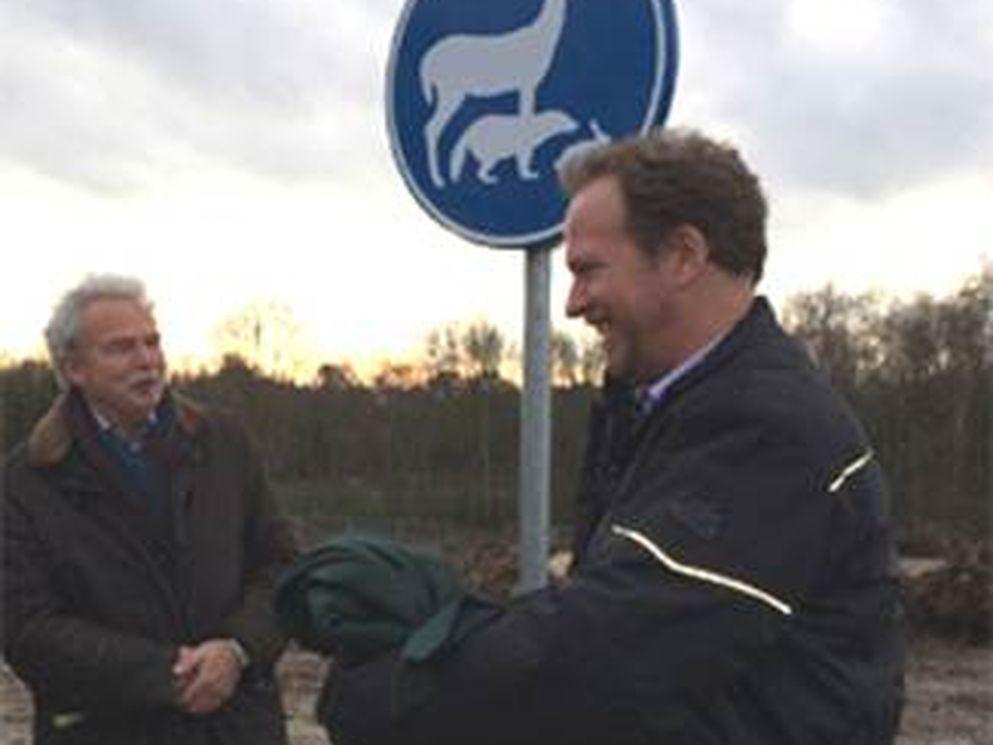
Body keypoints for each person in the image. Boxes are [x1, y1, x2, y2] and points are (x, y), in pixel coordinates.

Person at [319, 129, 905, 745]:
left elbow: (604, 655)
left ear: (682, 256)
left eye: (588, 270)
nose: (572, 304)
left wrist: (390, 694)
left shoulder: (767, 430)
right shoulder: (671, 409)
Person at [2, 275, 300, 745]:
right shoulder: (27, 481)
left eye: (152, 342)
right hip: (107, 730)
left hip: (237, 725)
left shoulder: (224, 442)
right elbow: (28, 628)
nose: (147, 360)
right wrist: (165, 674)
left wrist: (237, 650)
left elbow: (283, 567)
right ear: (73, 368)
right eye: (121, 348)